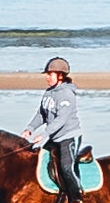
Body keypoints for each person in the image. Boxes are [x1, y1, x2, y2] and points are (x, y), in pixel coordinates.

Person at [33, 55, 91, 195]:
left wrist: (44, 134)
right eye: (47, 74)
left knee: (66, 167)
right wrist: (29, 129)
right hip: (54, 137)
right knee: (39, 161)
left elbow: (61, 119)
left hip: (69, 137)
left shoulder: (66, 94)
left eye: (50, 74)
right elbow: (41, 114)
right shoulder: (48, 93)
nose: (47, 77)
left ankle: (77, 199)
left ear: (60, 76)